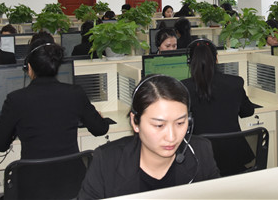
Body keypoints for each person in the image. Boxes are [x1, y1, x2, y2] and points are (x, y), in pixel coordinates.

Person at [78, 74, 219, 198]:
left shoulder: (201, 152)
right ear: (135, 122)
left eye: (180, 123)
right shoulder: (107, 161)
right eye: (159, 125)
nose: (171, 137)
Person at [0, 39, 109, 159]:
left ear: (28, 67)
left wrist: (14, 129)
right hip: (71, 170)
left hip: (32, 171)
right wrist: (96, 118)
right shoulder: (76, 93)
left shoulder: (15, 99)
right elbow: (100, 129)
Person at [181, 39, 256, 175]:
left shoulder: (183, 88)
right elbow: (248, 111)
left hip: (201, 159)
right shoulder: (235, 83)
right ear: (216, 59)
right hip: (234, 158)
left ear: (190, 62)